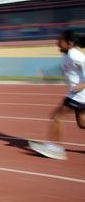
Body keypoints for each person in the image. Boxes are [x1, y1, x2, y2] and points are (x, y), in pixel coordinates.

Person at [29, 30, 84, 160]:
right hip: (76, 93)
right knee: (82, 123)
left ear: (69, 43)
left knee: (57, 117)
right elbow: (66, 71)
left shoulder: (75, 56)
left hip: (79, 94)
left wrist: (83, 85)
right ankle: (54, 147)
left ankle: (55, 148)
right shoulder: (67, 56)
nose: (57, 43)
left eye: (60, 40)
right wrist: (48, 75)